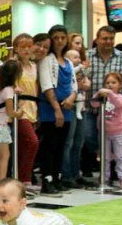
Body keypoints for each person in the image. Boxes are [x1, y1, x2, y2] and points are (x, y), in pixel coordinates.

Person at [84, 27, 122, 182]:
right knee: (89, 138)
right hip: (91, 107)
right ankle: (98, 163)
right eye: (105, 38)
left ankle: (110, 171)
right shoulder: (87, 56)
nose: (108, 41)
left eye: (111, 38)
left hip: (115, 110)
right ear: (97, 39)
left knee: (115, 141)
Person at [37, 25, 77, 196]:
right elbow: (47, 85)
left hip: (67, 109)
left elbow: (74, 84)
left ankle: (57, 177)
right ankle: (47, 181)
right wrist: (57, 110)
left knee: (62, 146)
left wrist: (71, 98)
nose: (59, 41)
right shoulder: (47, 60)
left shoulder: (67, 62)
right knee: (50, 145)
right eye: (56, 37)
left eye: (62, 37)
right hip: (50, 110)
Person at [0, 60, 23, 189]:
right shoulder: (8, 90)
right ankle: (1, 186)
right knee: (5, 156)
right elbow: (10, 112)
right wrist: (19, 113)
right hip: (1, 126)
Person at [90, 73, 122, 189]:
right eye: (108, 83)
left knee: (119, 156)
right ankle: (104, 177)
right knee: (105, 157)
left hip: (118, 132)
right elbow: (93, 103)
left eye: (113, 83)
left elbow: (120, 104)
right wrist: (99, 93)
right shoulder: (103, 98)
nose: (110, 85)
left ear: (120, 85)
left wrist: (111, 94)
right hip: (104, 132)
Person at [60, 48, 92, 189]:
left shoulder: (82, 71)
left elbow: (87, 84)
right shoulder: (67, 70)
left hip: (81, 106)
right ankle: (66, 175)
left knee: (78, 143)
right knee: (68, 143)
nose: (78, 60)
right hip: (70, 106)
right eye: (74, 57)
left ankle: (75, 174)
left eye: (78, 57)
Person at [13, 33, 40, 195]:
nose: (25, 50)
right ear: (16, 48)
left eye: (28, 46)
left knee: (26, 146)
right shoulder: (13, 65)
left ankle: (24, 180)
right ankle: (24, 179)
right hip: (19, 109)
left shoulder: (34, 66)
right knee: (32, 142)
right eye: (22, 47)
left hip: (33, 109)